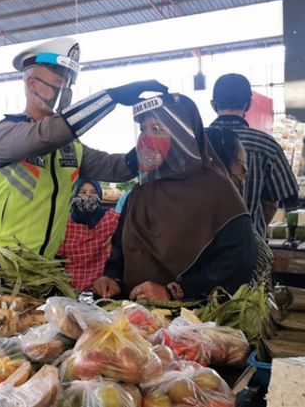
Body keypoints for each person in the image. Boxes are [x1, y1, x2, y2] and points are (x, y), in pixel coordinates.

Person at [0, 37, 167, 258]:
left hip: (40, 269)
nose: (64, 89)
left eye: (69, 83)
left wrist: (154, 139)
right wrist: (111, 97)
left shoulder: (70, 148)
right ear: (31, 83)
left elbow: (118, 168)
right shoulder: (5, 135)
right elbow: (47, 135)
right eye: (58, 80)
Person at [93, 94, 257, 301]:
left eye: (157, 129)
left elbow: (237, 263)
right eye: (143, 130)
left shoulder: (217, 190)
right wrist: (112, 277)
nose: (146, 138)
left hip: (192, 323)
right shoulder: (140, 192)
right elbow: (120, 250)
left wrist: (173, 292)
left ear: (182, 134)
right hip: (131, 320)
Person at [209, 73, 298, 237]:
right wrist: (255, 229)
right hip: (250, 248)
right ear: (249, 104)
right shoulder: (267, 145)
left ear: (213, 105)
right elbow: (272, 203)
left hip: (199, 251)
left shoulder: (193, 144)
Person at [206, 127, 273, 291]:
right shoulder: (230, 215)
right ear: (220, 165)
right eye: (241, 166)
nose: (244, 174)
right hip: (230, 310)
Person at [57, 180, 120, 291]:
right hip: (70, 289)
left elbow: (126, 233)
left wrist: (116, 238)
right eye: (82, 192)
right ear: (75, 195)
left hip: (101, 289)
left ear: (99, 195)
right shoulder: (65, 224)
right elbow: (58, 258)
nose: (88, 196)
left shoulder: (111, 219)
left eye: (93, 192)